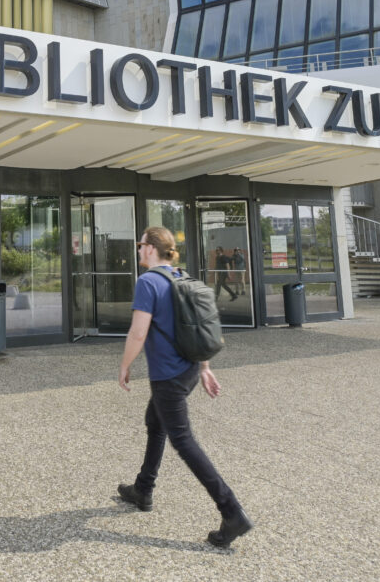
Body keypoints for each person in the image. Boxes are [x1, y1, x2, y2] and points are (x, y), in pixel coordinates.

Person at [116, 226, 253, 548]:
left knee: (183, 441)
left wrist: (124, 366)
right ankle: (143, 489)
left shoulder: (148, 281)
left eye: (140, 245)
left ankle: (231, 511)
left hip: (168, 376)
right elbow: (194, 324)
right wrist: (204, 368)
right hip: (190, 368)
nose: (138, 250)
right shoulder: (180, 276)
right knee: (155, 423)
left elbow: (138, 333)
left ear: (150, 249)